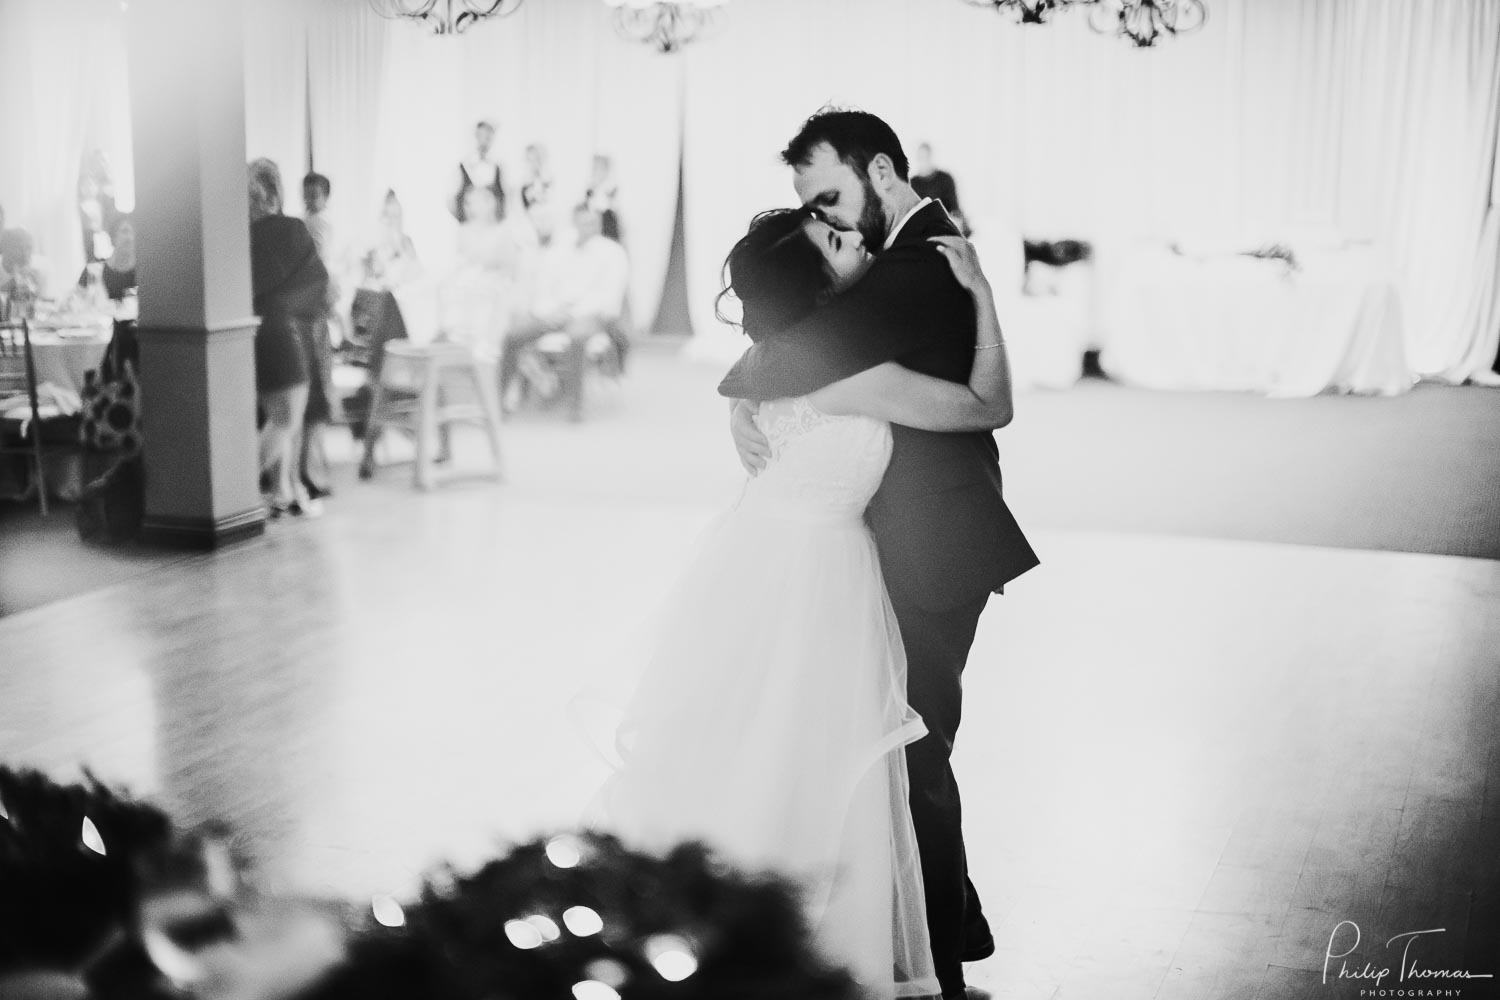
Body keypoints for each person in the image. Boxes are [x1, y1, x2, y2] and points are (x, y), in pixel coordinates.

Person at [589, 205, 1013, 1000]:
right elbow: (989, 407)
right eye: (838, 241)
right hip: (818, 574)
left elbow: (752, 381)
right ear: (818, 282)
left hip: (763, 556)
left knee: (760, 747)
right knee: (812, 758)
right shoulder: (857, 375)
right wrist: (984, 300)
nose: (860, 243)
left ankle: (726, 923)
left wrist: (739, 410)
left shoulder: (777, 353)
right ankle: (792, 937)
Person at [718, 110, 1039, 1000]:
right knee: (886, 753)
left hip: (927, 547)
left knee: (912, 752)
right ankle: (920, 937)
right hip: (862, 551)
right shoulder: (901, 251)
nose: (824, 215)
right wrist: (744, 396)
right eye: (811, 208)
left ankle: (934, 952)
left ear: (884, 173)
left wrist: (741, 391)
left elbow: (795, 347)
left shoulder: (914, 263)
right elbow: (794, 336)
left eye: (828, 197)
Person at [248, 158, 329, 518]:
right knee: (286, 420)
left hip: (255, 333)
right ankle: (235, 488)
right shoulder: (292, 231)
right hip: (288, 334)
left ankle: (283, 490)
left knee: (274, 415)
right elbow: (320, 284)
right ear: (275, 191)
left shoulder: (240, 238)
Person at [499, 204, 628, 416]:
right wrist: (549, 311)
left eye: (593, 223)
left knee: (577, 336)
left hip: (591, 314)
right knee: (513, 334)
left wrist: (573, 312)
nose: (589, 228)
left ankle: (574, 404)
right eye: (584, 222)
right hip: (554, 312)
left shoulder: (613, 253)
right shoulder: (559, 250)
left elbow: (609, 296)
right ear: (574, 222)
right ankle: (500, 400)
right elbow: (544, 286)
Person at [300, 171, 340, 500]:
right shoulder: (306, 227)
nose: (311, 199)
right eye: (307, 193)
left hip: (315, 314)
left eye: (317, 193)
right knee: (317, 391)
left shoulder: (318, 226)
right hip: (313, 318)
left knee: (318, 391)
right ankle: (313, 469)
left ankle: (314, 466)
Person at [911, 143, 970, 238]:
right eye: (921, 157)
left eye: (926, 157)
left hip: (946, 223)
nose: (924, 161)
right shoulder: (913, 183)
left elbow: (953, 207)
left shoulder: (945, 179)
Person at [452, 120, 506, 223]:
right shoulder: (463, 166)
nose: (485, 140)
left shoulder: (497, 167)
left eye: (488, 136)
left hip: (492, 228)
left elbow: (504, 200)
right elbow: (451, 201)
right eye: (481, 135)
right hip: (470, 228)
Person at [584, 153, 622, 243]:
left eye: (600, 168)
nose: (596, 172)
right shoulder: (589, 190)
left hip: (607, 226)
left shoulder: (611, 190)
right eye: (594, 168)